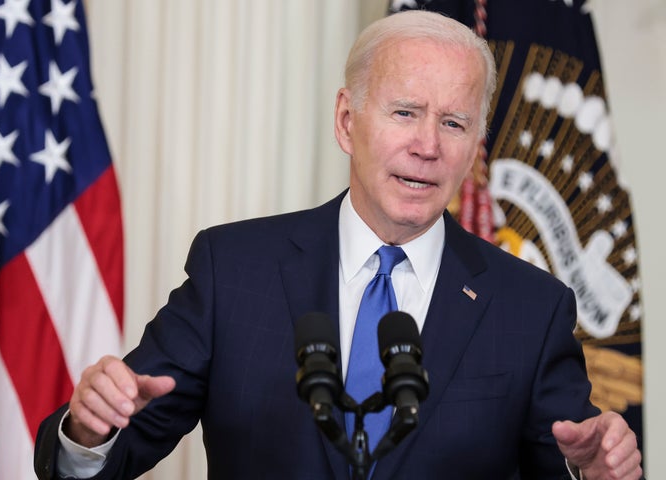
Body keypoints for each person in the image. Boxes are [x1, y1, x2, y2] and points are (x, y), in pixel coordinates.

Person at [34, 10, 643, 480]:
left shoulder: (532, 308)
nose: (428, 145)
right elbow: (110, 454)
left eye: (453, 123)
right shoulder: (234, 270)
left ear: (475, 145)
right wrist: (89, 434)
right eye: (405, 112)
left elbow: (568, 454)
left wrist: (590, 471)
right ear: (347, 122)